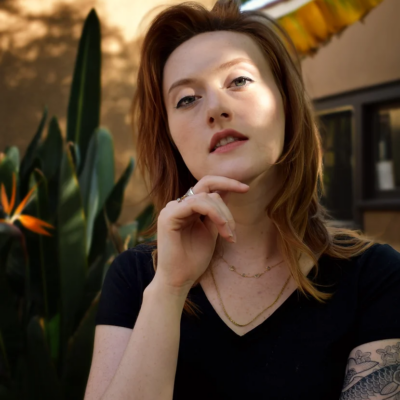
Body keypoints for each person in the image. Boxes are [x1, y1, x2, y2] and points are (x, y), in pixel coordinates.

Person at [84, 1, 400, 399]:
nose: (215, 108)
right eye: (186, 99)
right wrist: (170, 288)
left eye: (238, 81)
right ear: (172, 140)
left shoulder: (375, 278)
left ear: (286, 102)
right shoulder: (137, 280)